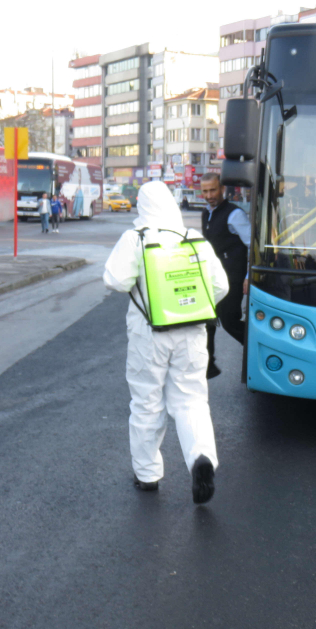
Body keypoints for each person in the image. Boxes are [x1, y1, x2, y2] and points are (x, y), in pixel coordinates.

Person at [103, 180, 229, 503]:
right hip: (191, 332)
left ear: (143, 207)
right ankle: (201, 459)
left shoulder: (137, 239)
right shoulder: (195, 239)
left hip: (150, 334)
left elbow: (115, 279)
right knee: (191, 399)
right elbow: (220, 286)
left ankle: (147, 475)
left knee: (147, 401)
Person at [200, 172, 249, 379]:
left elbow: (251, 246)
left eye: (213, 190)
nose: (209, 195)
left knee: (229, 321)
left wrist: (248, 276)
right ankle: (208, 365)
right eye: (205, 191)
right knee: (207, 321)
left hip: (232, 277)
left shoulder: (234, 215)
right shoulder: (206, 213)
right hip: (211, 276)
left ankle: (257, 347)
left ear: (222, 189)